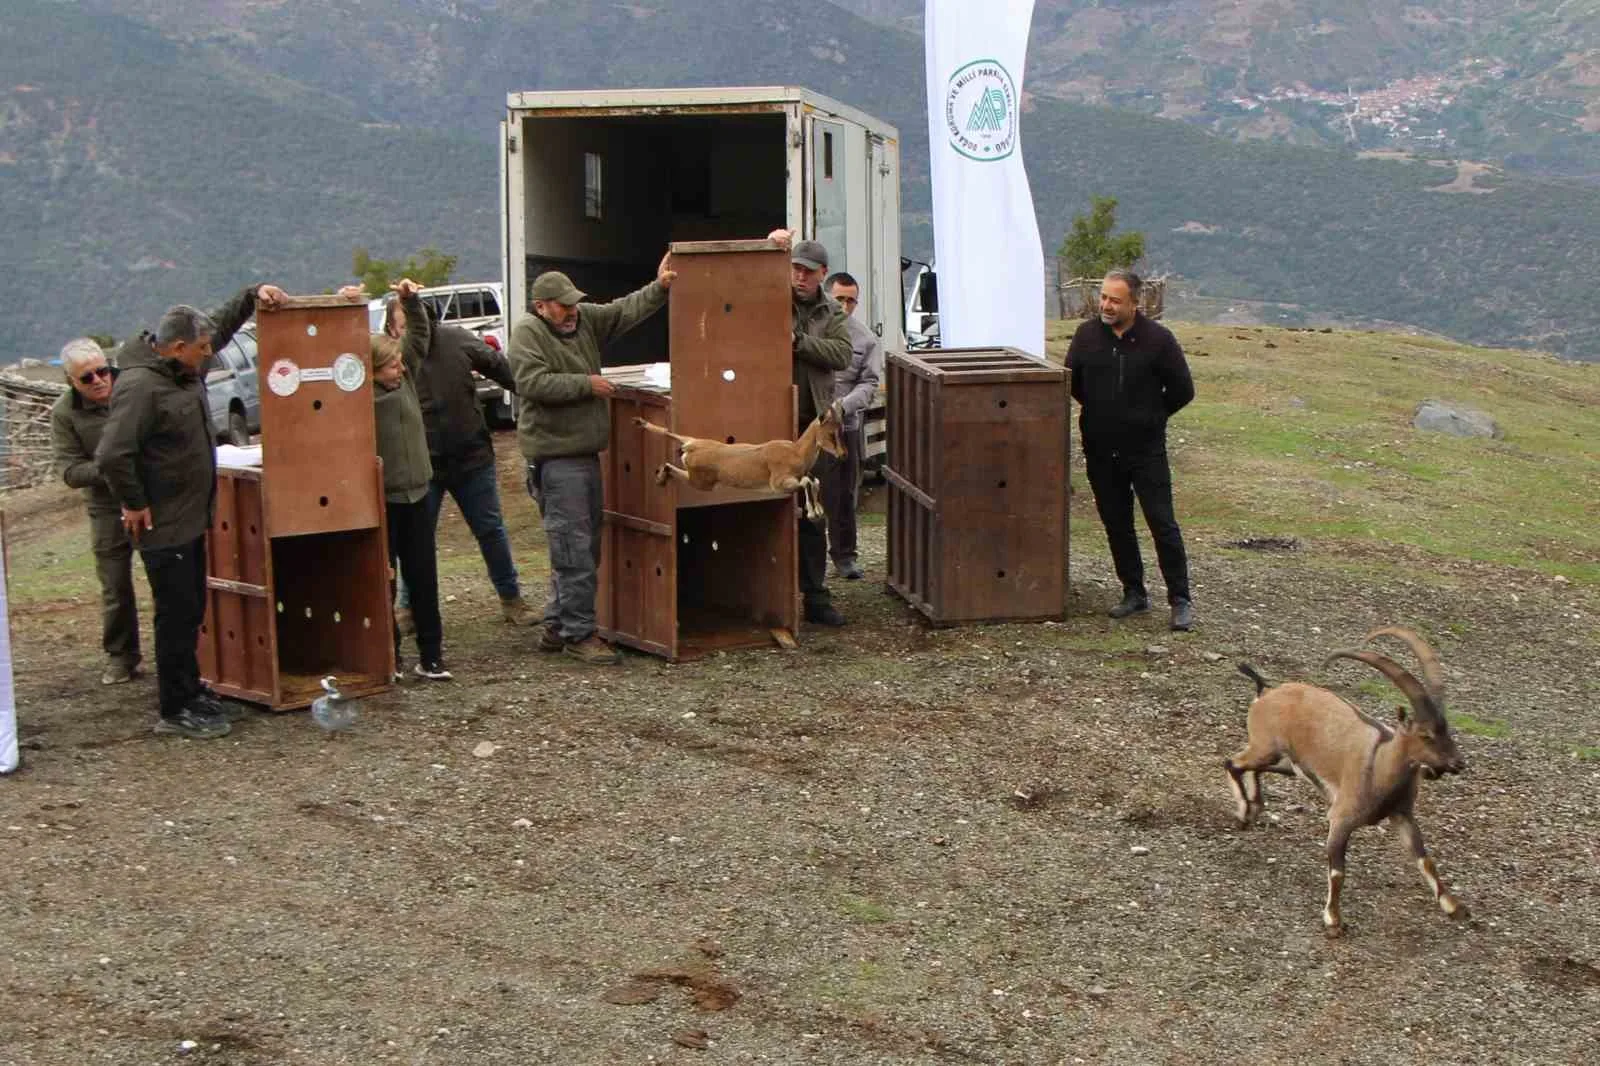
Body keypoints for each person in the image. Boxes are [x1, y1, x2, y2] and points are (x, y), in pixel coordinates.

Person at [96, 284, 288, 738]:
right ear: (178, 347)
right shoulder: (142, 387)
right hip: (164, 523)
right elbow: (111, 454)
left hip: (190, 516)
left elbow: (216, 327)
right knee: (176, 612)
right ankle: (174, 706)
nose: (207, 355)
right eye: (201, 350)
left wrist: (251, 294)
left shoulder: (182, 368)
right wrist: (135, 501)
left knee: (192, 608)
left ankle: (191, 688)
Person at [507, 254, 676, 664]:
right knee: (574, 549)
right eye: (563, 305)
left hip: (581, 455)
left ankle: (557, 625)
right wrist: (588, 384)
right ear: (540, 306)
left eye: (573, 302)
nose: (572, 310)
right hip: (556, 458)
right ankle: (578, 634)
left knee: (578, 547)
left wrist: (660, 288)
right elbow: (531, 383)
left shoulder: (581, 320)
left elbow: (622, 311)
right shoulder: (527, 334)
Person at [383, 285, 535, 629]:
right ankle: (406, 609)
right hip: (422, 466)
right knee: (416, 540)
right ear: (391, 329)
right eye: (400, 324)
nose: (405, 329)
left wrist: (534, 390)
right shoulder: (389, 361)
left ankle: (512, 599)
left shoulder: (456, 339)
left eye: (410, 322)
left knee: (491, 530)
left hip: (472, 456)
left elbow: (502, 368)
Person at [1065, 269, 1196, 632]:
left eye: (1114, 300)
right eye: (1103, 297)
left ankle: (1180, 600)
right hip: (1100, 449)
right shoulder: (1087, 335)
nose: (1106, 305)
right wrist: (1100, 413)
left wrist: (1151, 418)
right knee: (1116, 522)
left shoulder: (1159, 340)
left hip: (1145, 451)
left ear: (1135, 303)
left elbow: (1183, 390)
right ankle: (1134, 592)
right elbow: (1071, 381)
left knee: (1162, 523)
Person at [767, 230, 853, 625]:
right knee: (767, 509)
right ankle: (767, 594)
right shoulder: (772, 295)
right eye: (794, 269)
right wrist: (771, 247)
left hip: (810, 428)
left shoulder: (831, 313)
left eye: (807, 271)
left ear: (823, 274)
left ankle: (816, 597)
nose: (799, 277)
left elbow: (840, 354)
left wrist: (797, 341)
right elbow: (749, 281)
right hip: (769, 426)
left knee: (813, 514)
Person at [50, 338, 142, 686]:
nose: (98, 380)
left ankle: (182, 655)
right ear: (71, 382)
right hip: (106, 507)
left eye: (102, 371)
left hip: (154, 498)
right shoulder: (64, 414)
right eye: (86, 378)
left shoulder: (135, 390)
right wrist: (111, 467)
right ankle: (121, 656)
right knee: (115, 586)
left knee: (172, 578)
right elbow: (70, 472)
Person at [370, 322, 449, 681]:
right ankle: (391, 656)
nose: (399, 369)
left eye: (400, 363)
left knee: (424, 578)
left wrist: (412, 303)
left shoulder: (408, 383)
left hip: (418, 494)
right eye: (390, 366)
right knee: (384, 581)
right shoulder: (361, 399)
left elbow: (420, 336)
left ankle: (432, 656)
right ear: (371, 370)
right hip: (384, 501)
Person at [821, 271, 883, 581]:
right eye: (839, 299)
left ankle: (844, 555)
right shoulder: (810, 328)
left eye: (851, 301)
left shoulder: (865, 339)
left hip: (844, 425)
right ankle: (802, 558)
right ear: (827, 295)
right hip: (808, 423)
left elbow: (869, 382)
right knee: (803, 489)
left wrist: (843, 406)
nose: (844, 307)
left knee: (843, 493)